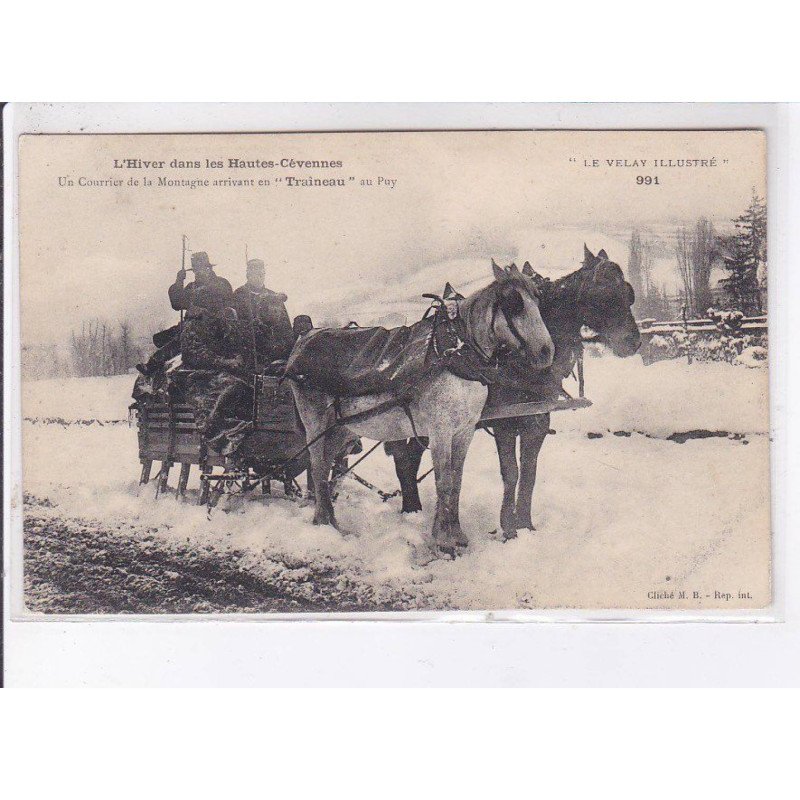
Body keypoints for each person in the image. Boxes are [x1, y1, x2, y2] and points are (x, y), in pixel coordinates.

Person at [136, 251, 233, 376]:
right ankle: (153, 363)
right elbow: (177, 303)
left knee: (183, 336)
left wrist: (204, 312)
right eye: (195, 270)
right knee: (172, 337)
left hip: (216, 326)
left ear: (208, 268)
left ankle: (154, 363)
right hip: (192, 325)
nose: (198, 273)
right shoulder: (192, 287)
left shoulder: (221, 284)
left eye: (201, 269)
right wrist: (178, 283)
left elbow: (227, 304)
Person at [233, 258, 294, 361]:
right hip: (249, 350)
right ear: (248, 275)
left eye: (262, 274)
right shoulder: (239, 295)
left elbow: (285, 326)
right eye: (255, 273)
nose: (259, 277)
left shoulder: (273, 296)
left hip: (273, 350)